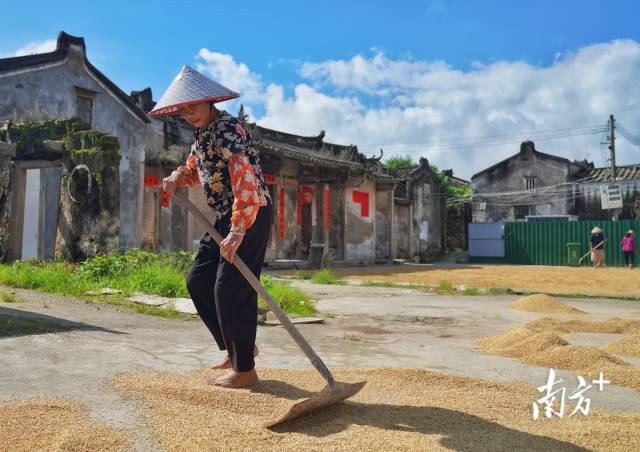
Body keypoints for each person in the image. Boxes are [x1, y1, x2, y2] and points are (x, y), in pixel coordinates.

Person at [151, 66, 273, 388]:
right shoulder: (202, 134)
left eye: (193, 106)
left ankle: (245, 371)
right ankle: (238, 351)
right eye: (183, 109)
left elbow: (244, 179)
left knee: (231, 288)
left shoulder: (227, 129)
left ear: (208, 102)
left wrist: (238, 229)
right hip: (223, 216)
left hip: (250, 212)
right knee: (198, 280)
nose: (188, 114)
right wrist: (179, 176)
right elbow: (196, 168)